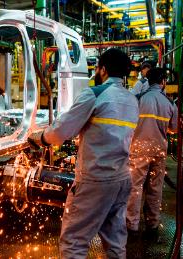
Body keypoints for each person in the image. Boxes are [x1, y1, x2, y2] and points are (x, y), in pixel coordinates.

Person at [29, 48, 139, 258]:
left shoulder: (95, 94)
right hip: (122, 178)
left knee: (74, 241)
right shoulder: (132, 99)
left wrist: (41, 138)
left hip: (95, 180)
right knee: (115, 240)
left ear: (103, 70)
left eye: (97, 67)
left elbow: (62, 131)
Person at [126, 68, 177, 238]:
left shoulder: (139, 99)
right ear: (163, 81)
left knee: (135, 187)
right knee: (155, 188)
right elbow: (174, 129)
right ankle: (153, 224)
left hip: (139, 149)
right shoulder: (170, 103)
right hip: (159, 151)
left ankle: (131, 225)